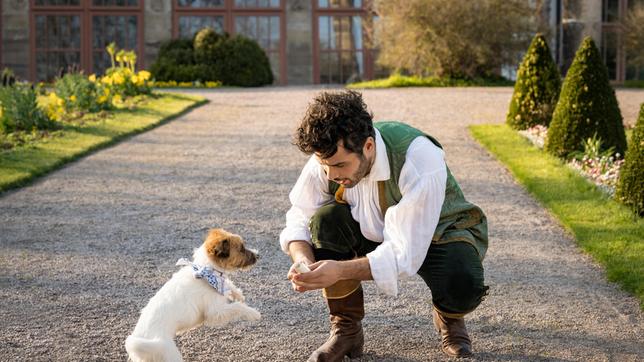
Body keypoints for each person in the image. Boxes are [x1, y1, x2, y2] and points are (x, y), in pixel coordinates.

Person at [280, 90, 488, 360]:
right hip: (367, 228)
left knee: (463, 278)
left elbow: (406, 252)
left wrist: (340, 270)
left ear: (368, 146)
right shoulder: (330, 153)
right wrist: (303, 262)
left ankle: (450, 318)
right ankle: (346, 330)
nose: (331, 174)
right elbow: (300, 213)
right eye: (325, 166)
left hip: (436, 232)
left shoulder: (419, 156)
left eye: (340, 165)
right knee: (325, 221)